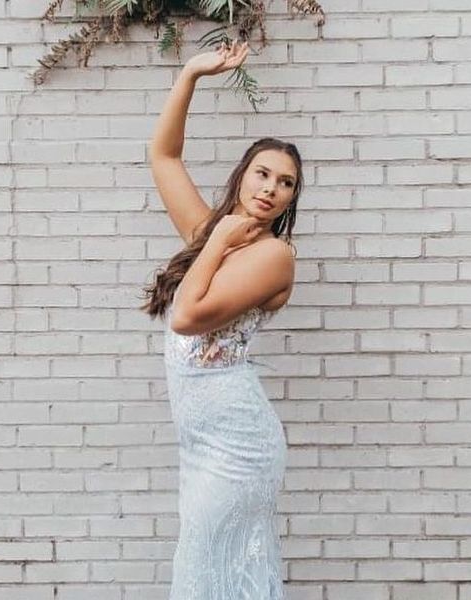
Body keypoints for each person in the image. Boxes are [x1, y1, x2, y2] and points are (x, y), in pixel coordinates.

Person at [141, 40, 304, 599]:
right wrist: (190, 74)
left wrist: (218, 241)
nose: (271, 189)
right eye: (263, 174)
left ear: (289, 200)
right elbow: (163, 156)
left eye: (285, 184)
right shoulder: (216, 233)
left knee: (207, 567)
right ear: (242, 175)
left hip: (239, 444)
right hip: (200, 441)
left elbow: (187, 316)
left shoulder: (272, 256)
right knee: (210, 570)